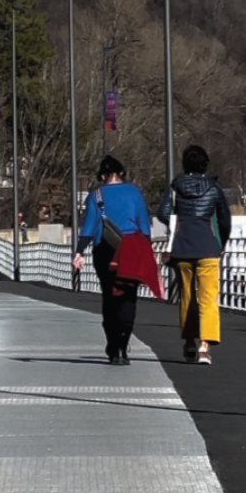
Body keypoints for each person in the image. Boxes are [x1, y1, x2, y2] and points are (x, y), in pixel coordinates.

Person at [72, 156, 159, 365]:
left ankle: (112, 344)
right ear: (121, 173)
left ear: (102, 175)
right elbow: (144, 225)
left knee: (109, 296)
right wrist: (147, 250)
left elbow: (89, 226)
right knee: (128, 296)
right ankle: (122, 345)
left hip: (105, 249)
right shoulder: (135, 193)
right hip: (131, 248)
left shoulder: (96, 195)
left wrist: (79, 252)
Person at [157, 145, 232, 365]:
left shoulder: (175, 186)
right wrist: (222, 242)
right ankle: (204, 348)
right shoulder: (214, 188)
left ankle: (189, 342)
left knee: (187, 297)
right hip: (208, 247)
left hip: (182, 248)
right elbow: (225, 218)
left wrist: (178, 221)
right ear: (205, 164)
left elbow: (162, 213)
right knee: (208, 298)